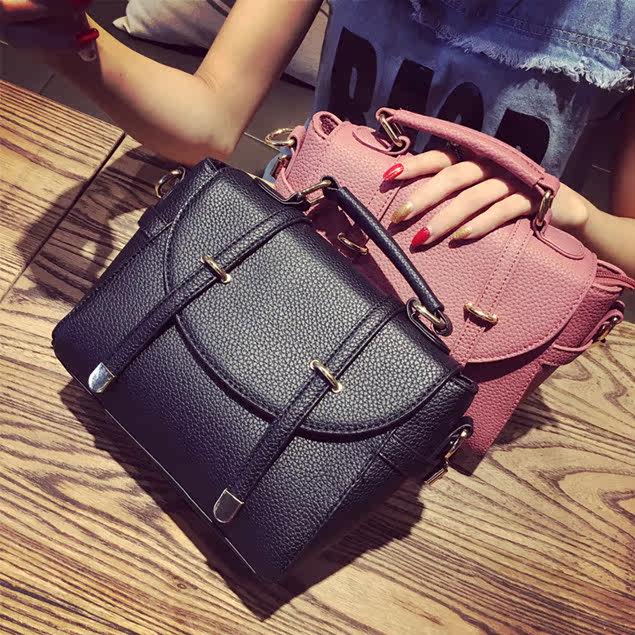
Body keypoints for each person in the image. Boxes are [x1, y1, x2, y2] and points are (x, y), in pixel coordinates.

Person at [1, 0, 634, 277]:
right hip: (296, 248)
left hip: (478, 316)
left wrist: (573, 214)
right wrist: (67, 36)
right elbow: (209, 120)